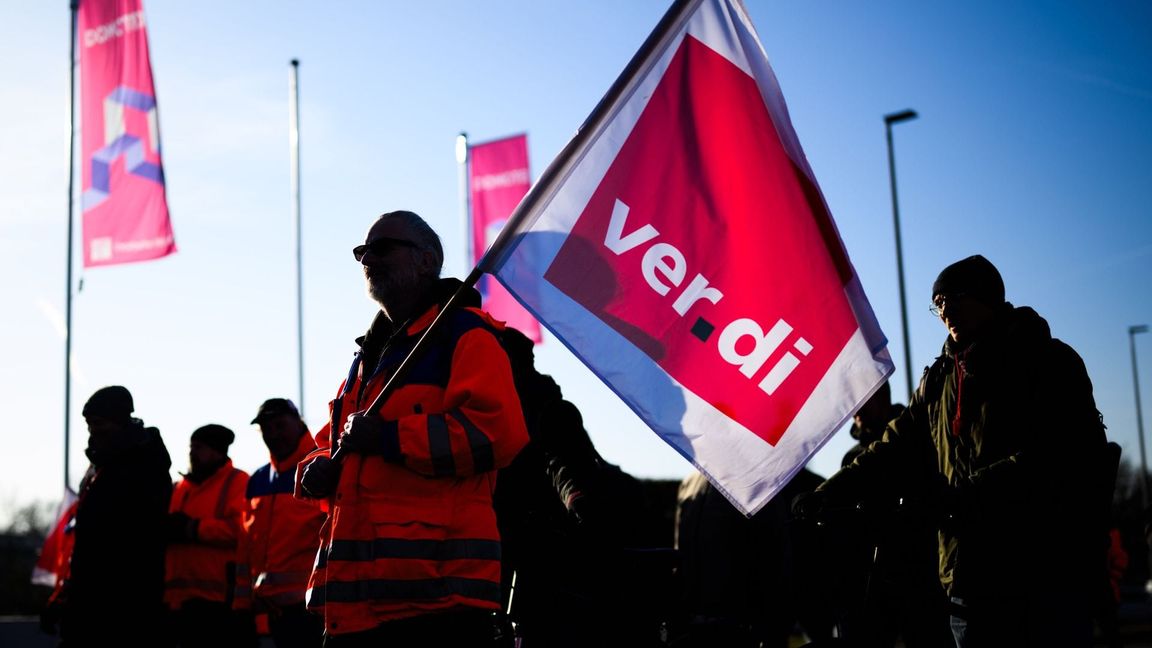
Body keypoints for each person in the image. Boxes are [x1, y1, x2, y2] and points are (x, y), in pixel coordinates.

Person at [795, 255, 1114, 647]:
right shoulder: (938, 381)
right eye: (938, 302)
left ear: (987, 297)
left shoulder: (1046, 360)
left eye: (953, 297)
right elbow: (892, 447)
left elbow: (1059, 454)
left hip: (1045, 571)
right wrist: (830, 491)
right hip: (968, 579)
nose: (944, 310)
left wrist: (961, 498)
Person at [294, 210, 530, 647]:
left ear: (426, 260)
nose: (368, 259)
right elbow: (333, 444)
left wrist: (388, 438)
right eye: (362, 251)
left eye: (382, 248)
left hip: (438, 606)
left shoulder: (466, 336)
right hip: (354, 609)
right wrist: (315, 468)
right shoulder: (366, 359)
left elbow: (498, 434)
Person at [495, 326, 672, 648]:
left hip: (547, 581)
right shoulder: (510, 408)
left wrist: (576, 499)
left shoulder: (542, 407)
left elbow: (565, 465)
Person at [41, 385, 173, 647]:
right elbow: (87, 544)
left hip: (127, 607)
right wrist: (67, 596)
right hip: (91, 602)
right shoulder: (100, 466)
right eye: (89, 424)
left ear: (119, 421)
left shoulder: (144, 465)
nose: (92, 431)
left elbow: (135, 538)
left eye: (98, 423)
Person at [235, 398, 326, 648]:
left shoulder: (321, 468)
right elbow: (246, 547)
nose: (273, 434)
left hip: (314, 611)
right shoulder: (258, 480)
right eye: (266, 428)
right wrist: (242, 606)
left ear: (298, 423)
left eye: (280, 425)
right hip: (268, 613)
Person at [165, 424, 252, 648]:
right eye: (191, 447)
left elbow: (240, 531)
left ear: (218, 452)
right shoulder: (180, 488)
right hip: (176, 602)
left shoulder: (239, 483)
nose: (192, 453)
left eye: (200, 448)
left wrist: (192, 529)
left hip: (217, 604)